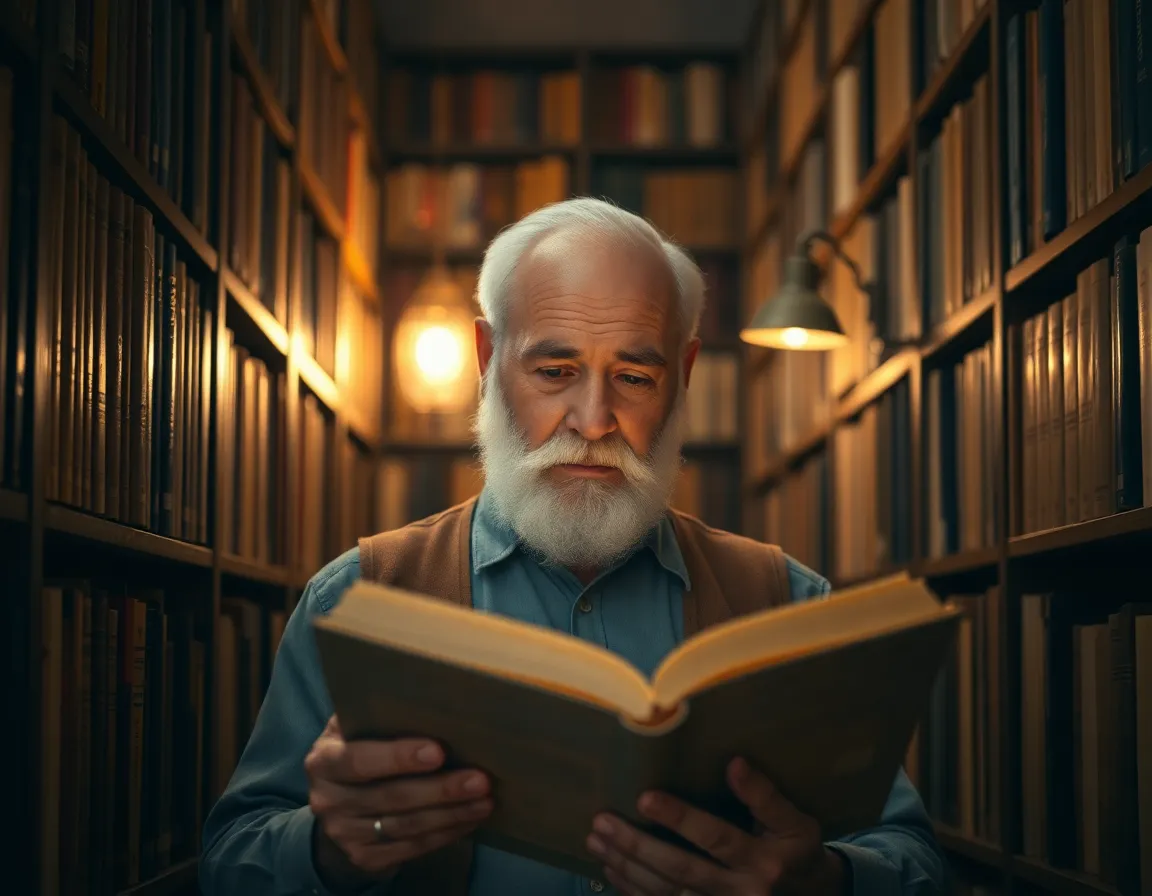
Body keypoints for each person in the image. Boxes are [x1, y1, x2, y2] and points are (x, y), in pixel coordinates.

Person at [199, 198, 948, 896]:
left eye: (634, 376)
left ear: (682, 378)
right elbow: (230, 861)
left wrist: (820, 881)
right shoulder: (355, 597)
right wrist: (329, 849)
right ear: (488, 358)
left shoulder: (790, 603)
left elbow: (915, 863)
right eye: (555, 371)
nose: (593, 419)